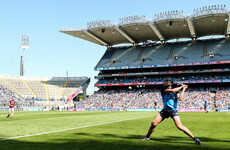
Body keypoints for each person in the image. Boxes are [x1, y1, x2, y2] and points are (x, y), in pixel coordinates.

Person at [139, 78, 202, 145]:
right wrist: (182, 86)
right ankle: (147, 137)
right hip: (165, 110)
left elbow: (180, 98)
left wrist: (184, 89)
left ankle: (195, 139)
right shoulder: (163, 89)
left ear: (169, 83)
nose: (163, 83)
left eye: (165, 82)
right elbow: (173, 90)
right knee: (153, 123)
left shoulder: (176, 91)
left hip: (173, 110)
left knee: (179, 126)